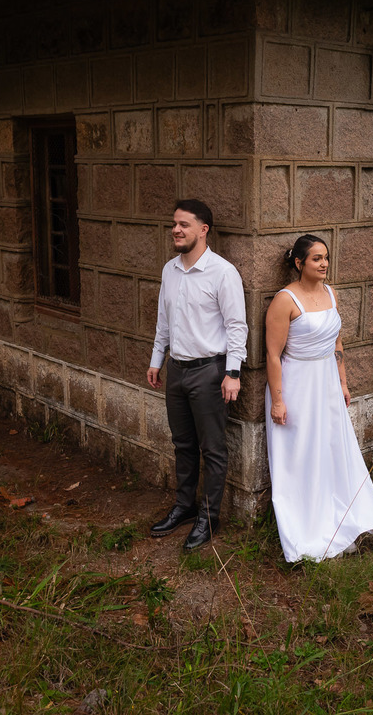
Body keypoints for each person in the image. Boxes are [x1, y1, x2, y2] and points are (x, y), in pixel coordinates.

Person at [264, 234, 373, 562]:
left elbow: (337, 343)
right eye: (317, 259)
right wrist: (278, 400)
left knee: (333, 447)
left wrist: (343, 383)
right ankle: (308, 526)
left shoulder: (331, 294)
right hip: (297, 383)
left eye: (326, 258)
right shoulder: (285, 300)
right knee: (303, 452)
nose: (324, 264)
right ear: (299, 263)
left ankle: (346, 516)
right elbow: (273, 356)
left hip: (328, 384)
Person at [147, 200, 247, 550]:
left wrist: (232, 372)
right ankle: (184, 507)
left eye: (184, 225)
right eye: (174, 223)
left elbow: (237, 327)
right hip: (176, 370)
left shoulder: (222, 273)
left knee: (213, 448)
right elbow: (164, 320)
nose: (176, 230)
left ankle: (208, 517)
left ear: (203, 230)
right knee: (182, 444)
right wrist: (157, 360)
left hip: (210, 373)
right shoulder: (169, 270)